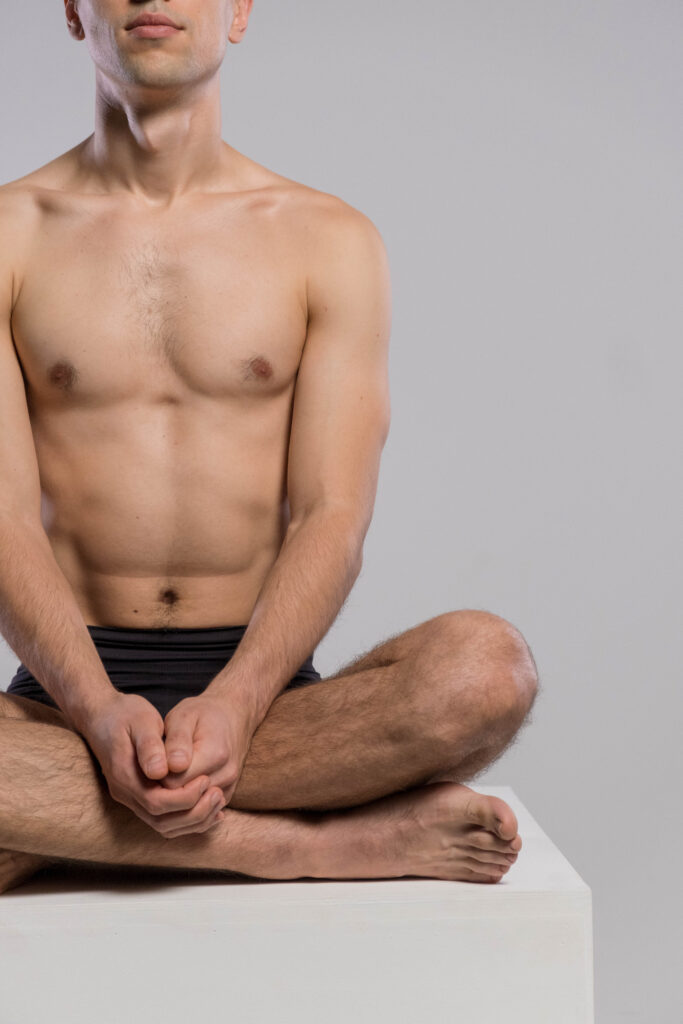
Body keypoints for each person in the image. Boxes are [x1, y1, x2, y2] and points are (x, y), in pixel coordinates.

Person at [0, 0, 538, 893]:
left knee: (485, 669)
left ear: (238, 12)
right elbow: (4, 516)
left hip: (271, 696)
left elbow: (331, 512)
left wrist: (240, 704)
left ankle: (51, 823)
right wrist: (95, 711)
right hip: (58, 698)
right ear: (71, 12)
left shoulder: (327, 240)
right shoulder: (9, 235)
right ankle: (307, 845)